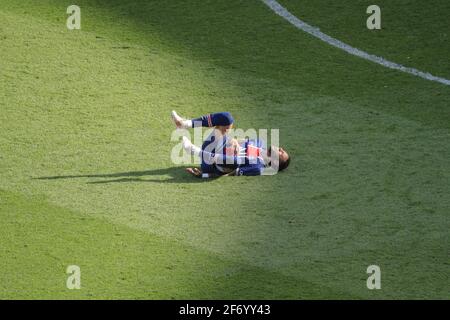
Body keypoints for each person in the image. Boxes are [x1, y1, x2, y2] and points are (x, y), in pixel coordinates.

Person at [171, 111, 290, 177]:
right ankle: (185, 124)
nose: (281, 148)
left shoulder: (258, 167)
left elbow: (231, 173)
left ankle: (192, 150)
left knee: (236, 161)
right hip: (214, 146)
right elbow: (236, 140)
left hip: (211, 164)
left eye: (281, 152)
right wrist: (233, 141)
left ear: (276, 161)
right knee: (227, 118)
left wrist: (204, 175)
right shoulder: (259, 142)